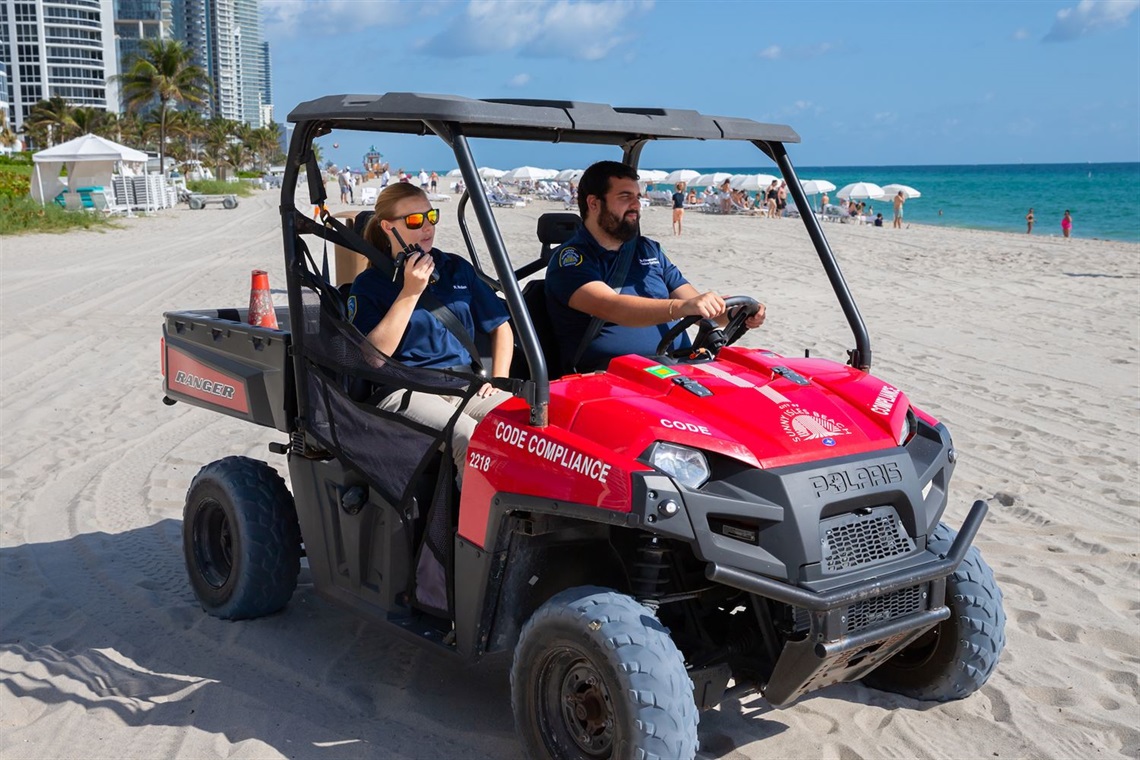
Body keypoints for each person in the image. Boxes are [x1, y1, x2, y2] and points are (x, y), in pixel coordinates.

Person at [348, 183, 513, 484]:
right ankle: (471, 530)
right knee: (468, 436)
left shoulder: (455, 268)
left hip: (464, 383)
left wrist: (498, 380)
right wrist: (410, 293)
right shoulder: (370, 283)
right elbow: (373, 357)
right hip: (405, 387)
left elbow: (501, 326)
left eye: (431, 217)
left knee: (524, 423)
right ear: (388, 227)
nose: (426, 227)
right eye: (414, 221)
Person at [545, 161, 766, 375]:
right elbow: (611, 306)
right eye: (625, 197)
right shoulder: (571, 259)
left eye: (637, 197)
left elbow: (696, 307)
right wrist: (682, 308)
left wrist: (734, 314)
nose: (636, 205)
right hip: (609, 379)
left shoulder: (647, 250)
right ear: (594, 203)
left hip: (675, 367)